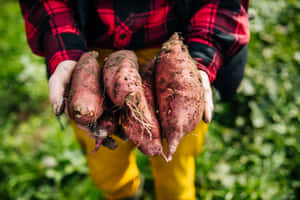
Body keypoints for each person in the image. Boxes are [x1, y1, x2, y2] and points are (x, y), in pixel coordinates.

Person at [19, 0, 250, 199]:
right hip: (88, 55)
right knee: (102, 153)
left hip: (177, 53)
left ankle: (175, 194)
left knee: (177, 158)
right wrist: (63, 51)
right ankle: (123, 194)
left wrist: (203, 57)